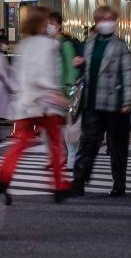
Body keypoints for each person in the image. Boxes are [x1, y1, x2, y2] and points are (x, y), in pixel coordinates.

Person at [0, 6, 72, 204]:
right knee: (54, 143)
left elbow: (20, 74)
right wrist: (55, 93)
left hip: (25, 102)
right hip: (44, 102)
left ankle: (2, 179)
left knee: (20, 143)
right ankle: (59, 185)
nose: (49, 25)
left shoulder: (24, 45)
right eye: (46, 21)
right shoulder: (49, 45)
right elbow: (45, 75)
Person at [71, 6, 131, 197]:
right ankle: (79, 180)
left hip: (114, 103)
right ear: (97, 22)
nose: (107, 22)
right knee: (87, 142)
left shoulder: (120, 45)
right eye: (103, 19)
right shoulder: (90, 43)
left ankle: (119, 183)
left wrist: (127, 101)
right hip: (91, 101)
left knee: (117, 146)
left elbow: (127, 74)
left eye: (110, 18)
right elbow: (88, 71)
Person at [54, 11, 83, 166]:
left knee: (68, 126)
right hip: (58, 90)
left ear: (58, 25)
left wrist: (70, 90)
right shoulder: (55, 44)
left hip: (66, 90)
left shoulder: (65, 44)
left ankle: (72, 156)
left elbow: (70, 70)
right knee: (62, 126)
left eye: (50, 24)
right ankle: (67, 155)